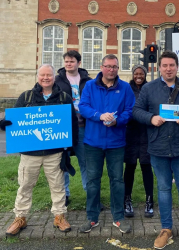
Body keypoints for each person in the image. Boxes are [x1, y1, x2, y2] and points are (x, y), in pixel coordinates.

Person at [133, 51, 179, 250]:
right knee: (164, 189)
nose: (168, 69)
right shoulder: (149, 88)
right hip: (158, 146)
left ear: (177, 66)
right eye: (164, 65)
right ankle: (166, 229)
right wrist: (150, 118)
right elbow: (137, 111)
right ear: (159, 67)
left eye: (172, 65)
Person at [0, 64, 79, 236]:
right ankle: (20, 217)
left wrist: (70, 148)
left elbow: (72, 123)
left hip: (54, 152)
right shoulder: (26, 96)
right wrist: (4, 124)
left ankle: (59, 216)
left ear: (54, 77)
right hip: (30, 153)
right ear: (37, 77)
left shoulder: (64, 98)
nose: (45, 78)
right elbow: (13, 118)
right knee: (25, 186)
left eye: (49, 75)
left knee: (58, 186)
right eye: (42, 75)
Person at [78, 54, 135, 234]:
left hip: (116, 142)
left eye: (114, 67)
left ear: (118, 68)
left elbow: (130, 110)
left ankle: (118, 218)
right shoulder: (89, 85)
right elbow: (83, 106)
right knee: (93, 180)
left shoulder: (125, 88)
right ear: (101, 67)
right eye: (108, 66)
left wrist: (117, 121)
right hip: (92, 142)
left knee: (117, 180)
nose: (111, 70)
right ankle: (92, 217)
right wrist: (99, 116)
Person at [55, 50, 91, 206]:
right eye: (66, 61)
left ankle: (91, 194)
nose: (68, 64)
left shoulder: (88, 81)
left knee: (86, 161)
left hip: (83, 125)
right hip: (63, 126)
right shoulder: (56, 80)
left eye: (71, 61)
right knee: (62, 161)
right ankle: (65, 195)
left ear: (78, 63)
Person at [123, 64, 154, 218]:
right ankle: (126, 199)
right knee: (129, 167)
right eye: (136, 74)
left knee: (146, 167)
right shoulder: (127, 88)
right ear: (133, 74)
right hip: (130, 133)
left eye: (141, 73)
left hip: (146, 133)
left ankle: (149, 201)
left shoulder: (150, 88)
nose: (138, 76)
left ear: (145, 74)